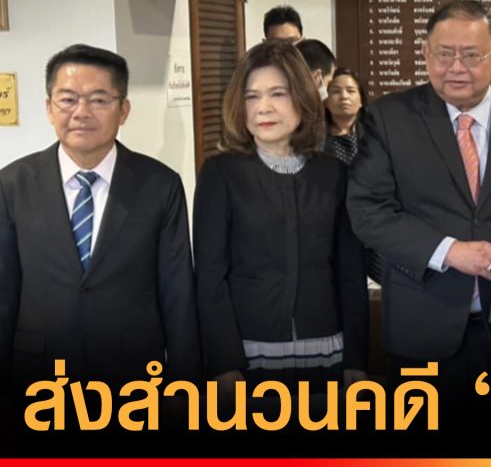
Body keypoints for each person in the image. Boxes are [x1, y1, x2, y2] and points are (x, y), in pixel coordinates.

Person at [346, 0, 491, 430]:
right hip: (421, 330)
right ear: (425, 54)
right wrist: (450, 251)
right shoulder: (388, 118)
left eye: (470, 55)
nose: (455, 67)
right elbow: (367, 211)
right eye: (443, 54)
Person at [0, 44, 202, 396]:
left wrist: (185, 388)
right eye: (68, 99)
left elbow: (177, 292)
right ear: (49, 108)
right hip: (38, 379)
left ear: (123, 110)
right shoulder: (12, 184)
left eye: (98, 100)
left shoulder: (160, 185)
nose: (81, 112)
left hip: (135, 380)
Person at [194, 40, 368, 395]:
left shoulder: (333, 173)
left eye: (278, 93)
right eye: (252, 96)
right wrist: (223, 363)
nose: (264, 108)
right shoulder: (221, 174)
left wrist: (357, 358)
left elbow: (350, 272)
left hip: (325, 346)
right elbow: (210, 278)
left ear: (302, 97)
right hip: (248, 352)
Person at [323, 68, 367, 166]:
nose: (344, 96)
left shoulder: (372, 134)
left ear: (361, 101)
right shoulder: (316, 137)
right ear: (326, 102)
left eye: (351, 91)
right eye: (336, 91)